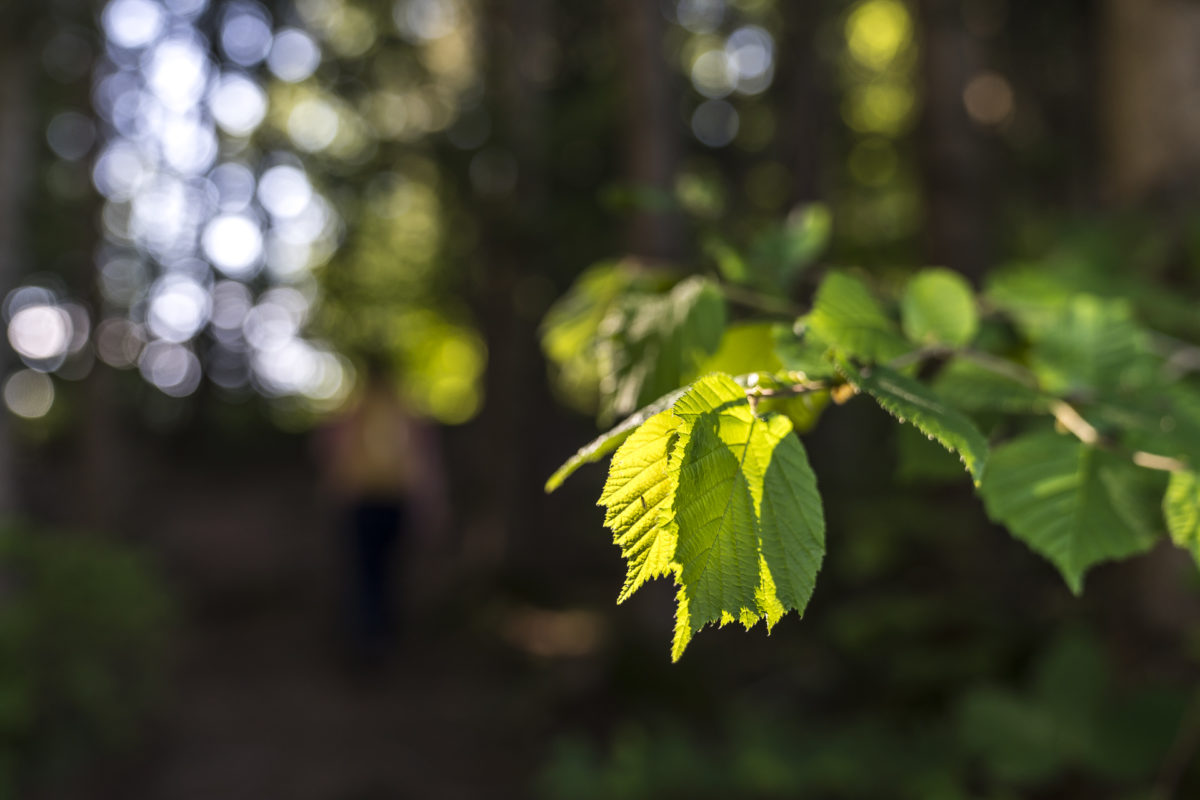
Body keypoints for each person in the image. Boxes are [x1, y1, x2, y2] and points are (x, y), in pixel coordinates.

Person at [317, 357, 446, 664]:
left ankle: (369, 636)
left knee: (367, 571)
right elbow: (424, 463)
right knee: (386, 569)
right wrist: (432, 505)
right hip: (393, 502)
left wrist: (331, 493)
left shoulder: (353, 409)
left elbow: (331, 452)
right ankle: (380, 635)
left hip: (361, 502)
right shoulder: (405, 412)